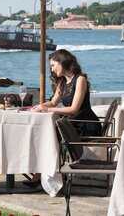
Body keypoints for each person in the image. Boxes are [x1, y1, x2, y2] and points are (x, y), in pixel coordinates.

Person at [26, 49, 101, 187]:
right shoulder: (62, 82)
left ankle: (45, 174)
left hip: (85, 124)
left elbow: (74, 109)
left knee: (49, 133)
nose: (52, 69)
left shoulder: (80, 80)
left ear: (62, 62)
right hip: (72, 124)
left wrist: (47, 109)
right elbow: (54, 102)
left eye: (53, 65)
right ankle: (43, 172)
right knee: (45, 132)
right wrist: (39, 106)